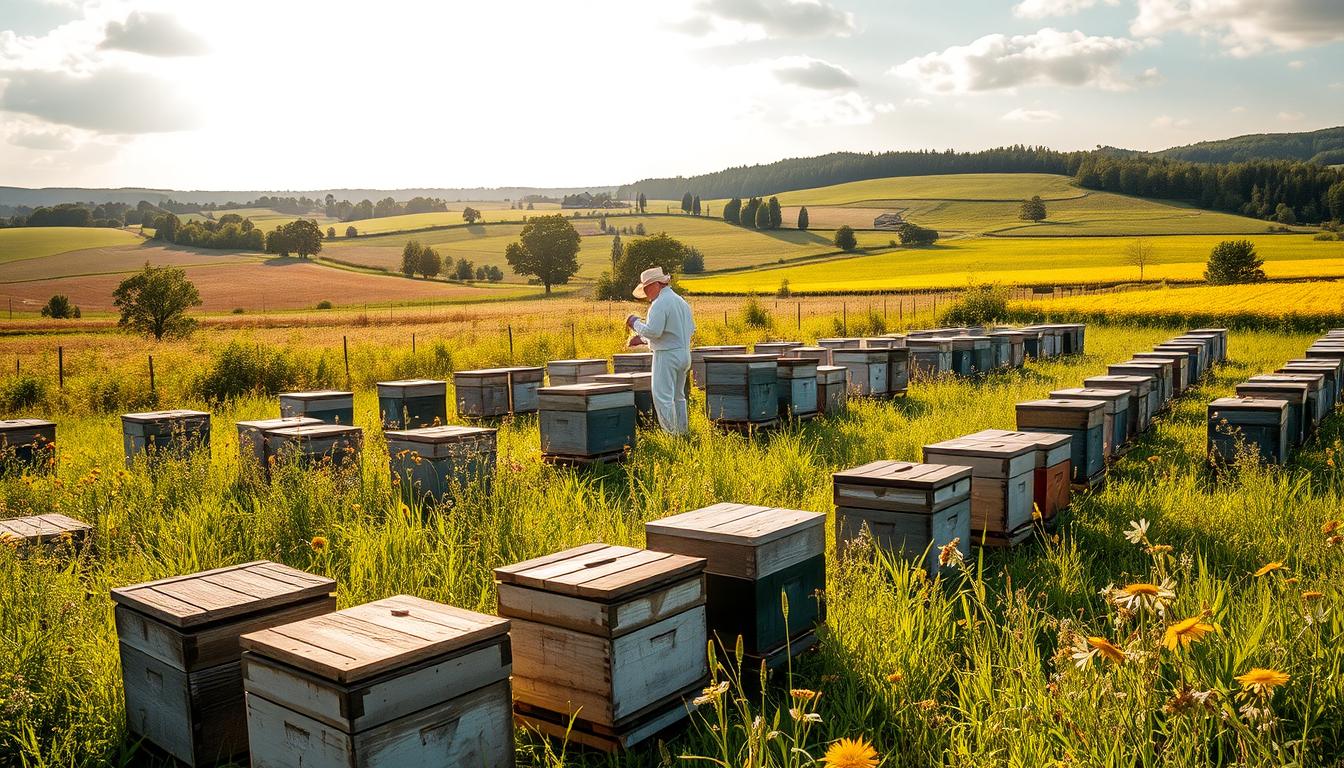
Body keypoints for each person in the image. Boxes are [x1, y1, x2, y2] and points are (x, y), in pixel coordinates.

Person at [626, 267, 695, 435]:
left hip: (666, 355)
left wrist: (635, 323)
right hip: (684, 354)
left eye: (647, 287)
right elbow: (687, 329)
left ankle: (671, 435)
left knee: (662, 397)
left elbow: (654, 331)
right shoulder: (680, 301)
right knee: (678, 396)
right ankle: (682, 432)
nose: (646, 292)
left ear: (657, 284)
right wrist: (641, 339)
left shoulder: (659, 304)